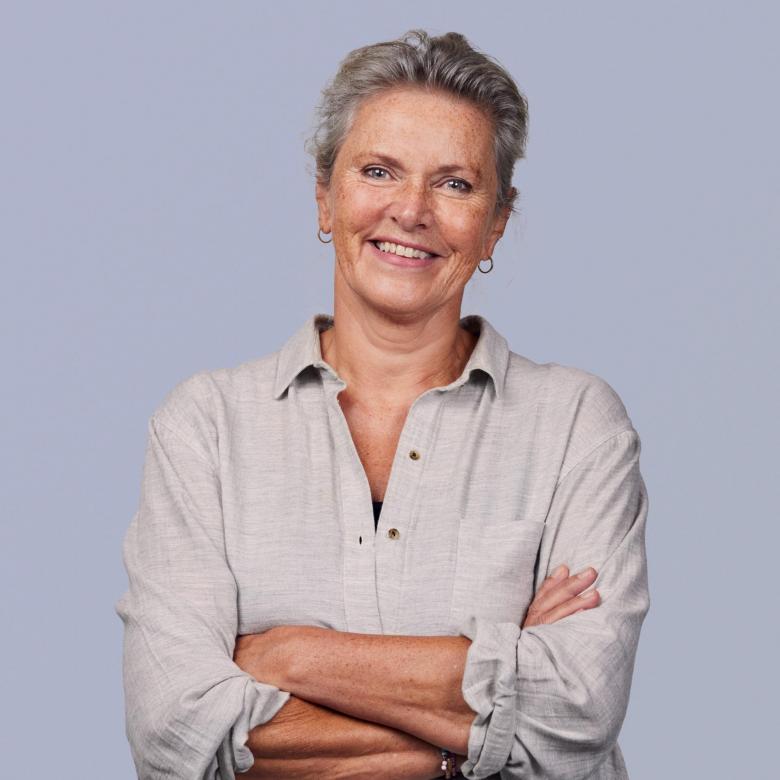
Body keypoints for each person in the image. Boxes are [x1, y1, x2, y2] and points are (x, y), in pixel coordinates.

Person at [115, 29, 650, 780]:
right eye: (378, 171)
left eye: (455, 184)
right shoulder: (206, 426)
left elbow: (576, 712)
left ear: (495, 224)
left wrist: (289, 656)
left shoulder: (576, 427)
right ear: (325, 198)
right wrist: (473, 729)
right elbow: (172, 729)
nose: (411, 210)